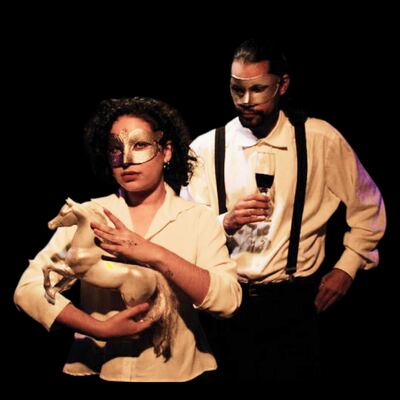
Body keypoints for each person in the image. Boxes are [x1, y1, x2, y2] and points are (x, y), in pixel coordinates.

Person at [181, 38, 386, 382]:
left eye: (258, 89)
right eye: (237, 90)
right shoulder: (205, 148)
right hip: (226, 302)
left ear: (282, 85)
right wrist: (225, 222)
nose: (246, 101)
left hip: (296, 303)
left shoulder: (318, 139)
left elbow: (369, 207)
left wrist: (348, 266)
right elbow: (186, 233)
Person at [14, 97, 242, 383]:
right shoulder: (90, 215)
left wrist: (154, 253)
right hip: (101, 368)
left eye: (140, 145)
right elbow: (28, 289)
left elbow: (227, 300)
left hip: (177, 372)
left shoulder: (198, 219)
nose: (126, 159)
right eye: (115, 149)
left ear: (166, 151)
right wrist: (97, 328)